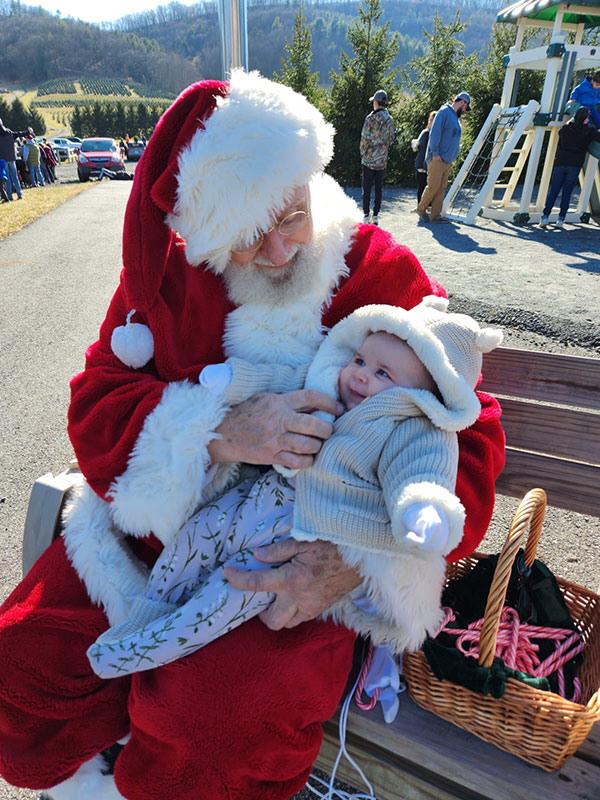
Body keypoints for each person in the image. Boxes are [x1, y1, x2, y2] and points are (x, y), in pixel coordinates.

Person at [0, 70, 504, 800]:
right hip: (153, 539)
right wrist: (215, 431)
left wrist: (353, 563)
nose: (275, 251)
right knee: (20, 675)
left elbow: (471, 428)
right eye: (244, 237)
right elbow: (100, 399)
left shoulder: (381, 271)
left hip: (301, 557)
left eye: (290, 217)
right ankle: (102, 766)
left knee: (215, 721)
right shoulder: (168, 276)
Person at [87, 298, 503, 679]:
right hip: (259, 497)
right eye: (359, 359)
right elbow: (283, 379)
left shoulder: (413, 429)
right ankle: (146, 614)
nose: (359, 374)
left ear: (420, 394)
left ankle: (146, 650)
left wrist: (423, 511)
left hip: (303, 532)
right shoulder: (334, 388)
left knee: (236, 585)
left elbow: (421, 476)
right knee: (195, 537)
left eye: (382, 373)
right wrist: (234, 380)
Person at [415, 91, 471, 223]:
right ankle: (421, 209)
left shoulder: (454, 117)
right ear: (462, 102)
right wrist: (435, 153)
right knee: (433, 186)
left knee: (441, 188)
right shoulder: (444, 112)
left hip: (446, 160)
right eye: (465, 107)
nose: (464, 110)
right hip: (437, 159)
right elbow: (435, 133)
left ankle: (436, 215)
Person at [540, 107, 600, 228]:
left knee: (553, 192)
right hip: (575, 165)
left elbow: (560, 133)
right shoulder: (588, 131)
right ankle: (560, 220)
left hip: (561, 163)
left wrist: (571, 121)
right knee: (567, 193)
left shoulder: (566, 129)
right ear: (586, 120)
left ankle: (545, 217)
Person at [360, 89, 396, 225]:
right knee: (379, 188)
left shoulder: (370, 119)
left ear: (376, 102)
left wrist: (363, 154)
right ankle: (375, 215)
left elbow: (364, 138)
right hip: (382, 160)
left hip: (369, 160)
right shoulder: (390, 120)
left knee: (367, 188)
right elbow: (391, 139)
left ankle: (365, 214)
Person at [0, 118, 31, 199]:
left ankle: (9, 196)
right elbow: (20, 133)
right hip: (12, 158)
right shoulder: (10, 133)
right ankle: (19, 194)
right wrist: (28, 131)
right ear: (2, 124)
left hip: (3, 159)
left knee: (7, 178)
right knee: (15, 176)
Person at [411, 111, 436, 204]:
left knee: (429, 188)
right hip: (421, 164)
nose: (431, 122)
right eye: (430, 119)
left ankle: (427, 206)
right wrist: (414, 142)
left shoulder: (437, 134)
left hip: (431, 165)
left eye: (433, 120)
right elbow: (416, 146)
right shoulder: (425, 132)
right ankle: (420, 206)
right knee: (421, 187)